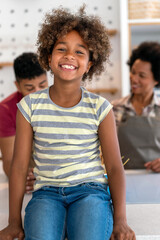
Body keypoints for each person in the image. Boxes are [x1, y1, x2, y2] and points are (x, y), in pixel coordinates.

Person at [0, 6, 135, 240]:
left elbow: (114, 167)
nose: (69, 56)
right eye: (61, 49)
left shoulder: (100, 108)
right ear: (48, 58)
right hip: (46, 195)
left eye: (80, 52)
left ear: (90, 63)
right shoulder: (29, 107)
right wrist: (14, 222)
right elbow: (19, 166)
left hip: (90, 193)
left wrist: (121, 221)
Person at [0, 52, 48, 186]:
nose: (37, 92)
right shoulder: (6, 109)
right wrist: (23, 177)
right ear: (18, 86)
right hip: (30, 170)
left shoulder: (60, 99)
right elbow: (9, 161)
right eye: (30, 88)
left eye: (43, 85)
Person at [112, 41, 160, 172]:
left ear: (156, 80)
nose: (134, 79)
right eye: (133, 72)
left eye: (142, 76)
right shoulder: (114, 108)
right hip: (123, 180)